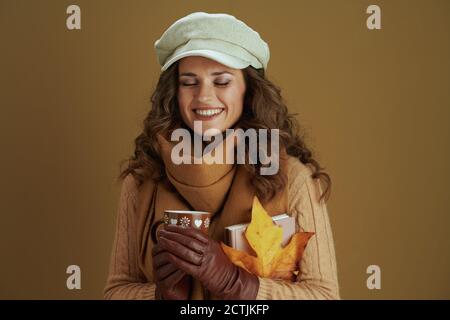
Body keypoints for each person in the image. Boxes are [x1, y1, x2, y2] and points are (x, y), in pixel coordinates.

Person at [103, 11, 340, 300]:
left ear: (248, 91)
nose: (204, 97)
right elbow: (115, 292)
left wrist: (238, 284)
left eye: (222, 81)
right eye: (189, 82)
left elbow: (325, 295)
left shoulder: (292, 179)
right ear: (174, 93)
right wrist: (159, 297)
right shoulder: (141, 181)